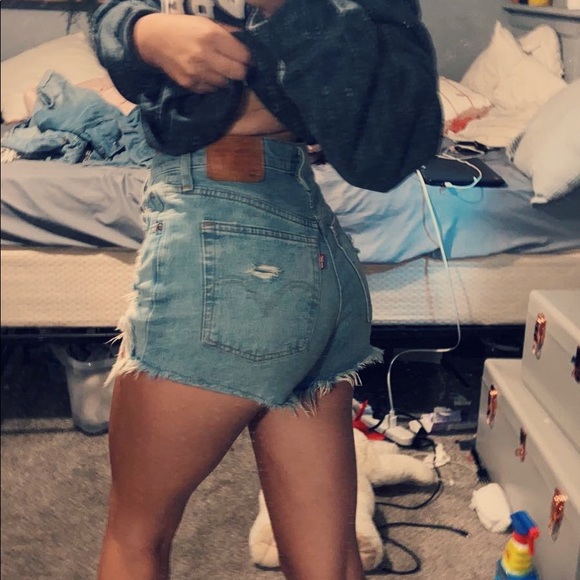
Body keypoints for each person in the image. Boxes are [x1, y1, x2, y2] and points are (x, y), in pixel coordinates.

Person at [89, 1, 441, 578]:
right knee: (328, 561)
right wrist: (142, 31)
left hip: (226, 244)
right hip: (313, 247)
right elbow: (111, 17)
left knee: (135, 538)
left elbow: (393, 146)